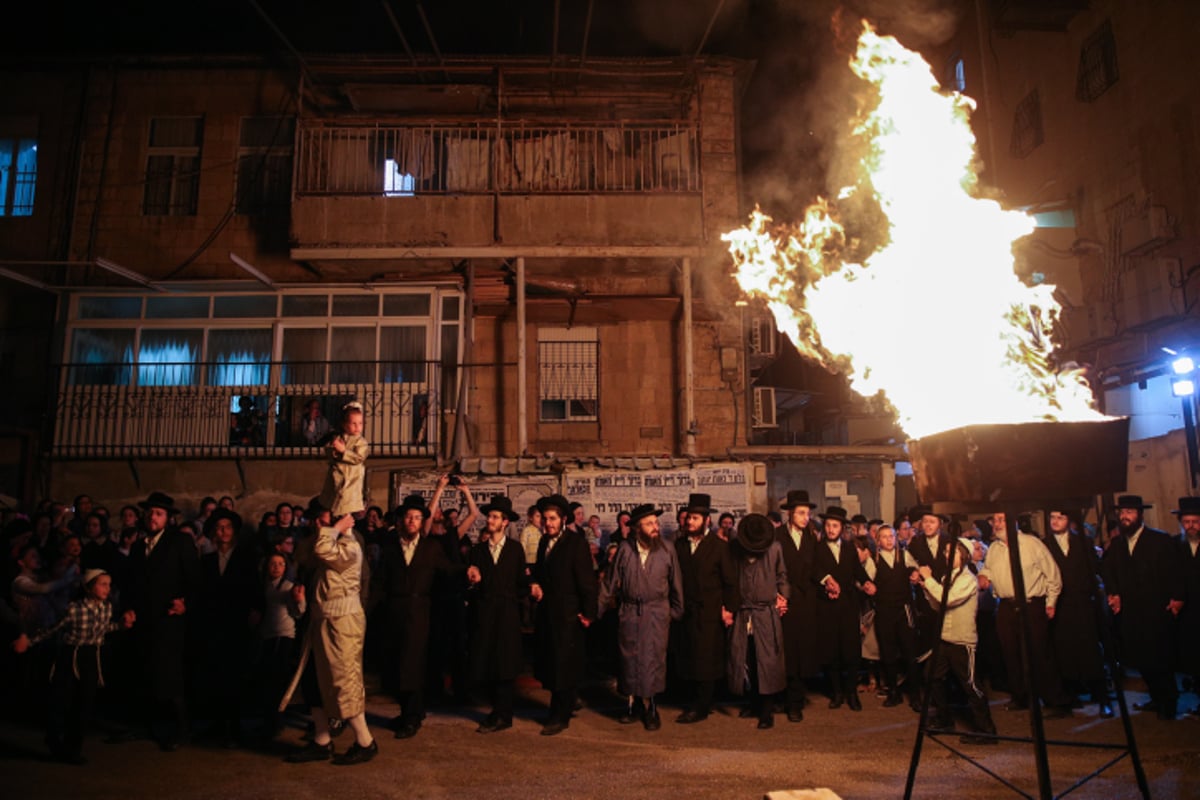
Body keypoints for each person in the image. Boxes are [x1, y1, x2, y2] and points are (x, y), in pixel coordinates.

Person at [12, 568, 136, 764]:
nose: (107, 588)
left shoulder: (106, 608)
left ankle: (73, 749)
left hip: (91, 657)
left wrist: (120, 625)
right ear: (89, 587)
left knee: (84, 704)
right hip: (70, 655)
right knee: (62, 700)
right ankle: (53, 738)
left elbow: (104, 629)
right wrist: (28, 641)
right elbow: (51, 629)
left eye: (109, 584)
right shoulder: (74, 609)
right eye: (102, 584)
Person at [285, 513, 377, 765]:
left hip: (341, 622)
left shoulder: (348, 544)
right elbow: (306, 560)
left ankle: (365, 741)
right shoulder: (318, 540)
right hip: (318, 620)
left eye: (324, 521)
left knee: (344, 681)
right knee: (314, 681)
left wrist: (336, 527)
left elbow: (325, 549)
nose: (319, 525)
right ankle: (322, 740)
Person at [373, 494, 461, 739]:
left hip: (420, 612)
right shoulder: (391, 549)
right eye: (408, 517)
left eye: (417, 518)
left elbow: (449, 570)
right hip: (395, 611)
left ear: (423, 522)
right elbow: (380, 582)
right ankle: (408, 711)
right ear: (401, 521)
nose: (412, 521)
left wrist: (470, 571)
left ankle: (412, 716)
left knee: (413, 664)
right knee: (397, 662)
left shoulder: (431, 548)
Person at [125, 491, 200, 752]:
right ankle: (146, 725)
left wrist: (186, 603)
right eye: (149, 513)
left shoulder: (180, 542)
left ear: (168, 518)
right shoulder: (138, 545)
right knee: (143, 670)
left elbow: (195, 579)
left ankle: (182, 729)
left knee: (170, 675)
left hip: (168, 620)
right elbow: (131, 583)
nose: (152, 517)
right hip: (143, 619)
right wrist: (128, 609)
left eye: (158, 513)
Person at [980, 511, 1072, 718]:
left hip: (1031, 605)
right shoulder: (994, 548)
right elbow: (988, 569)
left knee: (1040, 653)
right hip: (1005, 606)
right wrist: (984, 577)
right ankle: (1021, 697)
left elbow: (1053, 576)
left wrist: (1051, 602)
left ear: (1013, 521)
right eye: (994, 519)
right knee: (1010, 654)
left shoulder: (1032, 544)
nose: (997, 523)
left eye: (1002, 519)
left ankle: (1057, 701)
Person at [600, 503, 684, 731]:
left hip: (657, 612)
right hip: (630, 613)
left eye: (656, 523)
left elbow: (676, 584)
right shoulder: (625, 550)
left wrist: (674, 612)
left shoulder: (667, 549)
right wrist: (594, 613)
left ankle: (652, 707)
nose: (655, 527)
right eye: (649, 524)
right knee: (631, 660)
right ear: (637, 528)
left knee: (654, 660)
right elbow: (609, 584)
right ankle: (635, 705)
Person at [1102, 495, 1185, 720]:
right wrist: (1114, 593)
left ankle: (1168, 702)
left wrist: (1177, 597)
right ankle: (1156, 698)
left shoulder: (1159, 540)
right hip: (1130, 612)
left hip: (1156, 609)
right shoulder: (1118, 544)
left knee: (1160, 658)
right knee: (1141, 659)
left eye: (1130, 512)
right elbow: (1108, 573)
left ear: (1140, 514)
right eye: (1122, 513)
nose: (1125, 517)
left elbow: (1175, 571)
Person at [529, 493, 598, 736]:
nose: (548, 523)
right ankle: (563, 705)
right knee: (552, 663)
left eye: (552, 519)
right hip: (548, 613)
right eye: (545, 518)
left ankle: (560, 715)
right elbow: (540, 572)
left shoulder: (575, 543)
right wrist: (535, 583)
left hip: (569, 615)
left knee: (564, 665)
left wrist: (588, 613)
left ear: (563, 519)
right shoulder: (542, 542)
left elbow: (587, 582)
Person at [919, 536, 997, 746]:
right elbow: (938, 606)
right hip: (946, 639)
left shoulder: (967, 580)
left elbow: (949, 599)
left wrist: (928, 579)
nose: (946, 555)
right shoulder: (947, 577)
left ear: (963, 555)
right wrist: (925, 587)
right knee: (931, 676)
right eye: (945, 551)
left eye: (950, 552)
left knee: (971, 685)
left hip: (962, 641)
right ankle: (945, 720)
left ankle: (987, 730)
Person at [465, 495, 529, 733]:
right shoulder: (477, 551)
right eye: (489, 516)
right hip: (484, 615)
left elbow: (521, 582)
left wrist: (530, 586)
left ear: (504, 522)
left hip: (507, 615)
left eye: (494, 517)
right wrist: (472, 581)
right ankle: (497, 711)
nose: (489, 520)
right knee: (488, 662)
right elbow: (471, 587)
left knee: (505, 663)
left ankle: (504, 714)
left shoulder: (515, 550)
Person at [199, 507, 261, 747]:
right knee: (215, 671)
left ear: (233, 531)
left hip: (237, 622)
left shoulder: (245, 558)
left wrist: (256, 610)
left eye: (227, 527)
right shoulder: (207, 561)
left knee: (236, 673)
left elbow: (254, 587)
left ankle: (235, 725)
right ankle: (217, 722)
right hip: (215, 624)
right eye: (219, 528)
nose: (223, 531)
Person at [674, 493, 738, 724]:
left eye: (695, 518)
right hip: (686, 612)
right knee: (689, 658)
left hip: (709, 613)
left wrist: (729, 609)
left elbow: (731, 582)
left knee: (706, 661)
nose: (690, 522)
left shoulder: (719, 547)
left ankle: (701, 707)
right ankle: (697, 701)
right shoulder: (679, 545)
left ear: (706, 521)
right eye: (688, 518)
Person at [1045, 508, 1111, 718]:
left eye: (1060, 517)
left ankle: (1102, 697)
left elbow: (1093, 571)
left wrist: (1093, 597)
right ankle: (1069, 697)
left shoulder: (1083, 541)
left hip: (1082, 603)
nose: (1055, 521)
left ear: (1069, 520)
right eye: (1052, 517)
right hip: (1059, 605)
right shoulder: (1045, 545)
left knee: (1089, 650)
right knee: (1063, 651)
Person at [727, 513, 788, 729]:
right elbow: (730, 580)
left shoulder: (775, 549)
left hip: (766, 613)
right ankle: (753, 703)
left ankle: (766, 711)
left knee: (768, 663)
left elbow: (782, 577)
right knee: (747, 659)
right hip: (744, 614)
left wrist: (783, 598)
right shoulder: (735, 550)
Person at [813, 506, 868, 712]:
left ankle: (851, 693)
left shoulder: (849, 548)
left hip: (847, 605)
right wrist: (826, 582)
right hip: (827, 606)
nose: (830, 529)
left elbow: (857, 571)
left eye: (834, 526)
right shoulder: (817, 548)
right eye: (827, 525)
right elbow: (813, 570)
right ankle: (836, 693)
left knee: (851, 652)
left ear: (842, 528)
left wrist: (867, 582)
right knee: (831, 651)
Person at [862, 524, 921, 711]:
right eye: (884, 537)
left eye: (892, 536)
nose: (889, 539)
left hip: (904, 610)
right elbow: (865, 582)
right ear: (878, 541)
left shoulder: (904, 555)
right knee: (888, 654)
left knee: (910, 653)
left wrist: (915, 575)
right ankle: (893, 692)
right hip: (884, 611)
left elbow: (916, 572)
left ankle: (915, 695)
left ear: (896, 538)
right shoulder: (873, 561)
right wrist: (867, 586)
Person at [776, 489, 821, 722]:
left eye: (808, 513)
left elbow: (817, 569)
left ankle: (796, 699)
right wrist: (777, 594)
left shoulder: (812, 538)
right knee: (787, 652)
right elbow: (771, 569)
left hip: (806, 602)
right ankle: (785, 698)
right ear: (790, 514)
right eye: (802, 513)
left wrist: (826, 580)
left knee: (803, 650)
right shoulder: (777, 537)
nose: (806, 517)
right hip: (785, 601)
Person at [255, 552, 304, 739]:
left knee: (277, 681)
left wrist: (299, 601)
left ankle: (276, 722)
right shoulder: (264, 587)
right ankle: (270, 720)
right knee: (268, 681)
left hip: (283, 637)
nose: (276, 567)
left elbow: (298, 613)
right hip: (267, 636)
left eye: (280, 564)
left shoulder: (288, 587)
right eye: (273, 563)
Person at [318, 401, 369, 520]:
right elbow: (329, 451)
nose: (357, 427)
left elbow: (358, 458)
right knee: (332, 504)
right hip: (337, 476)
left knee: (345, 507)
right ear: (345, 425)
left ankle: (345, 530)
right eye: (353, 423)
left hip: (351, 479)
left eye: (360, 423)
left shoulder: (361, 442)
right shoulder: (338, 438)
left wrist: (343, 452)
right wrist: (334, 450)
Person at [1173, 496, 1200, 717]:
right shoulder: (1175, 545)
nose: (1191, 526)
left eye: (1195, 521)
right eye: (1187, 522)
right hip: (1187, 613)